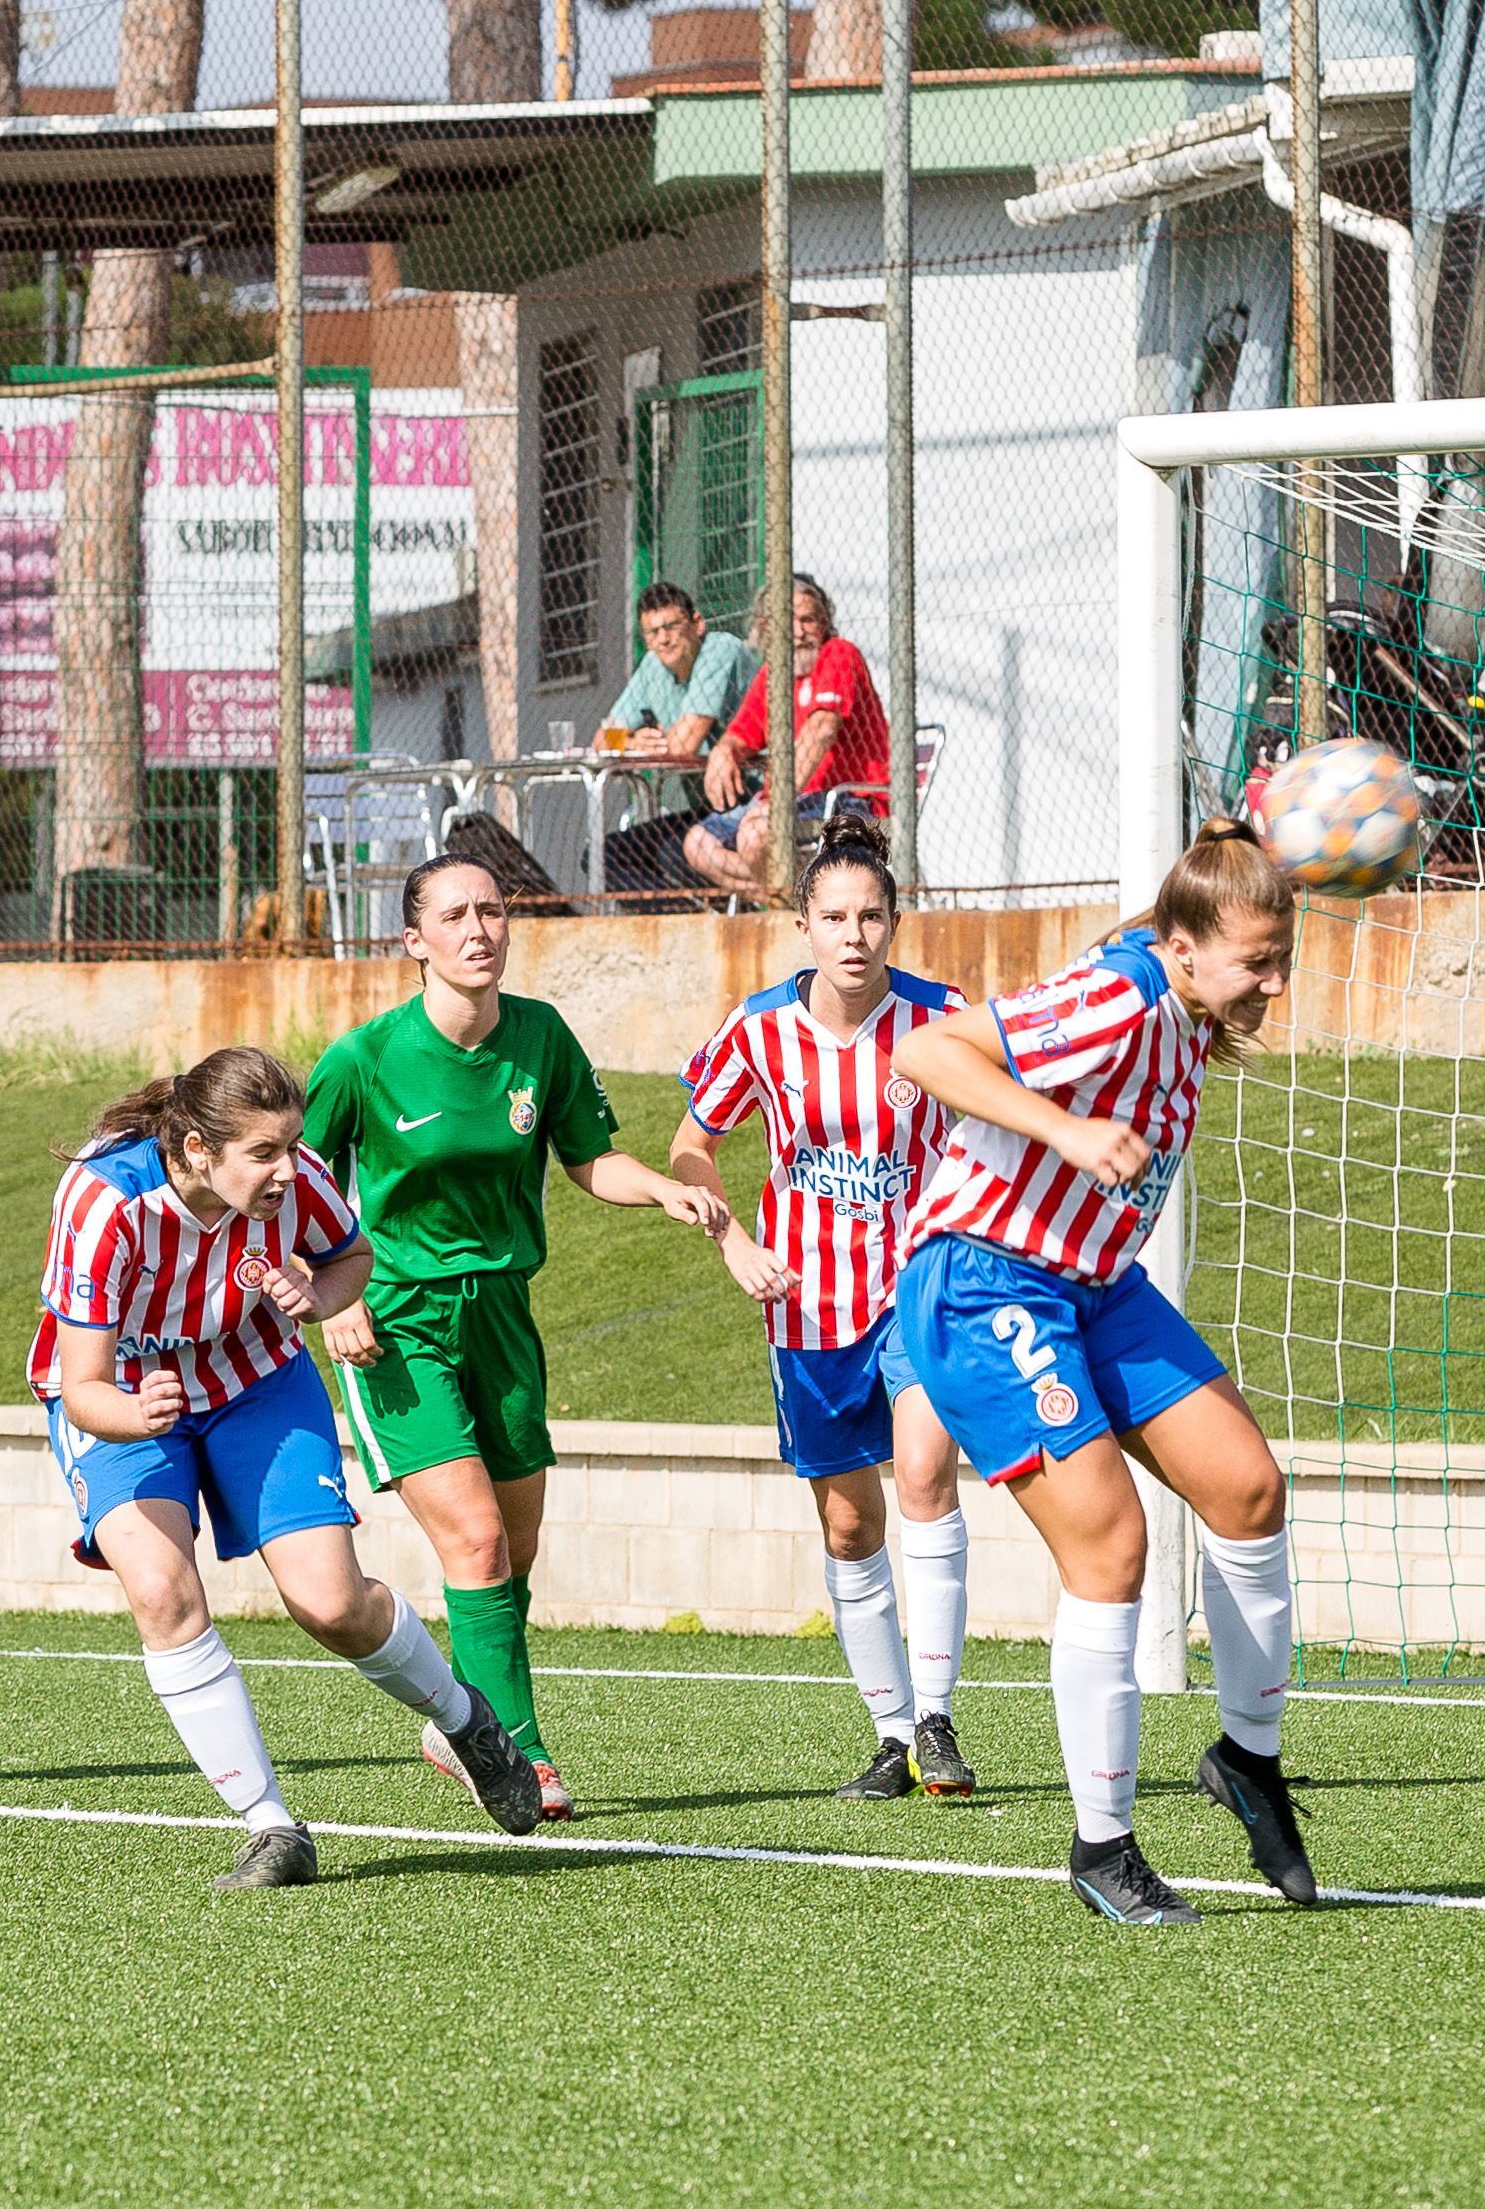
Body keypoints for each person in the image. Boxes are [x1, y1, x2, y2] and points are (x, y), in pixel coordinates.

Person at [891, 822, 1311, 1924]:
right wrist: (1065, 1134)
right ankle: (1101, 1847)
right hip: (986, 1285)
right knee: (1111, 1543)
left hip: (1093, 1285)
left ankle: (1245, 1761)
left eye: (1281, 959)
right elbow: (926, 1051)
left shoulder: (1185, 1008)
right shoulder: (1121, 995)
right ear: (1180, 948)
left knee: (1248, 1489)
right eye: (1256, 961)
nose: (1273, 982)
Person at [38, 1046, 545, 1889]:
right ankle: (271, 1826)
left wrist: (324, 1296)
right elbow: (78, 1383)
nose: (286, 1171)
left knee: (332, 1602)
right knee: (163, 1591)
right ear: (198, 1148)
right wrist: (140, 1414)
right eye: (264, 1153)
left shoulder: (296, 1175)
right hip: (129, 1395)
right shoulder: (104, 1202)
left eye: (293, 1145)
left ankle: (466, 1721)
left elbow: (351, 1256)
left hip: (255, 1381)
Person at [307, 853, 729, 1820]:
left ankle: (453, 1716)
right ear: (414, 940)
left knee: (513, 1549)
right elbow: (291, 1183)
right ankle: (515, 1753)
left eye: (492, 910)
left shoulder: (539, 1035)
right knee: (478, 1538)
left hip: (505, 1316)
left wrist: (662, 1185)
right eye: (454, 914)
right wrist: (338, 1298)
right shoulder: (365, 1059)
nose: (478, 928)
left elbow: (589, 1159)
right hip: (400, 1326)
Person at [669, 822, 980, 1801]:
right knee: (850, 1525)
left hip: (918, 1287)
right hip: (805, 1304)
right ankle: (888, 1735)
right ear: (803, 926)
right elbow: (690, 1143)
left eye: (871, 917)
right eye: (833, 918)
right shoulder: (758, 1030)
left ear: (894, 924)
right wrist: (732, 1240)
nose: (853, 935)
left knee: (925, 1472)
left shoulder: (941, 1016)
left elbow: (995, 1118)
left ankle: (935, 1720)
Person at [686, 577, 891, 895]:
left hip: (847, 799)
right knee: (698, 844)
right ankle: (798, 902)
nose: (798, 632)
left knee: (755, 836)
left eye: (808, 620)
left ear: (824, 622)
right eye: (788, 622)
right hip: (790, 802)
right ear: (766, 627)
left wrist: (778, 802)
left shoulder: (838, 654)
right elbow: (740, 736)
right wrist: (724, 752)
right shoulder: (773, 674)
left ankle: (805, 907)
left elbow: (822, 728)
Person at [605, 582, 746, 757]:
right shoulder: (652, 663)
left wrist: (651, 744)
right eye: (652, 632)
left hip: (760, 779)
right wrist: (632, 743)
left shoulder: (719, 649)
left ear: (698, 624)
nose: (663, 639)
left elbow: (684, 747)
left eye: (671, 626)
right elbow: (602, 738)